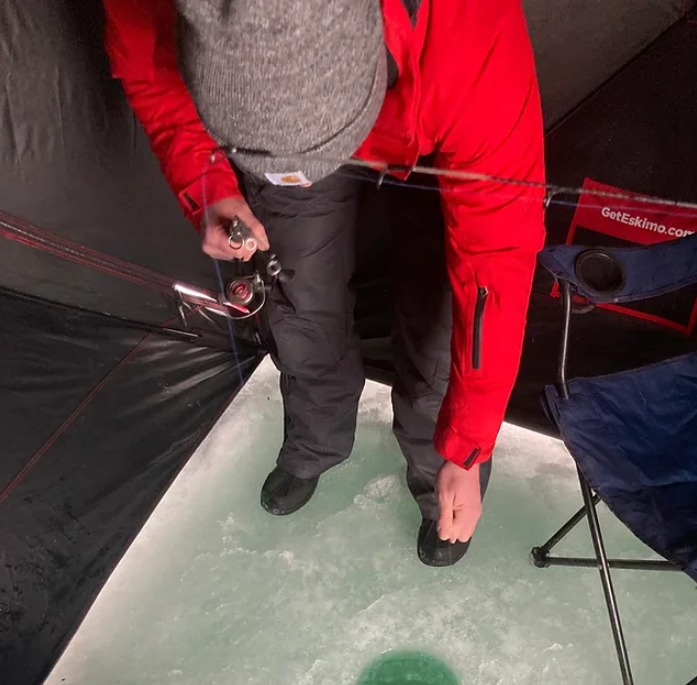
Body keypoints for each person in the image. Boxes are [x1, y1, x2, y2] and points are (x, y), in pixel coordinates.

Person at [101, 0, 545, 568]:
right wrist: (208, 181)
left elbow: (496, 265)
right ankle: (315, 440)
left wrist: (469, 445)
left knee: (444, 321)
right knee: (301, 296)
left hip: (432, 121)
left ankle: (439, 475)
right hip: (277, 130)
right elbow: (150, 70)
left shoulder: (474, 38)